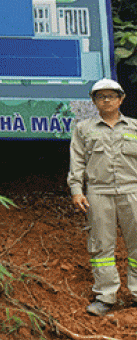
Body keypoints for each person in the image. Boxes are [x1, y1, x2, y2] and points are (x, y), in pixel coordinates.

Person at [68, 78, 137, 316]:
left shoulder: (134, 127)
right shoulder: (84, 129)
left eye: (111, 96)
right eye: (100, 96)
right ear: (94, 101)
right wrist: (76, 190)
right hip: (98, 192)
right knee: (101, 247)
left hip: (132, 190)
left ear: (121, 99)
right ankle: (105, 296)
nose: (106, 100)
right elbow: (76, 162)